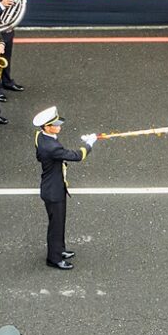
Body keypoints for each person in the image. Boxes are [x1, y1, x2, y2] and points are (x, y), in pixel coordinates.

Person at [31, 106, 95, 271]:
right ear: (47, 127)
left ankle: (59, 249)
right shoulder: (52, 147)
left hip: (54, 185)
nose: (59, 126)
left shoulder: (41, 136)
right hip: (54, 191)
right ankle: (54, 258)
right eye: (55, 125)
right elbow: (77, 156)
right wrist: (89, 145)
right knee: (56, 226)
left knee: (59, 223)